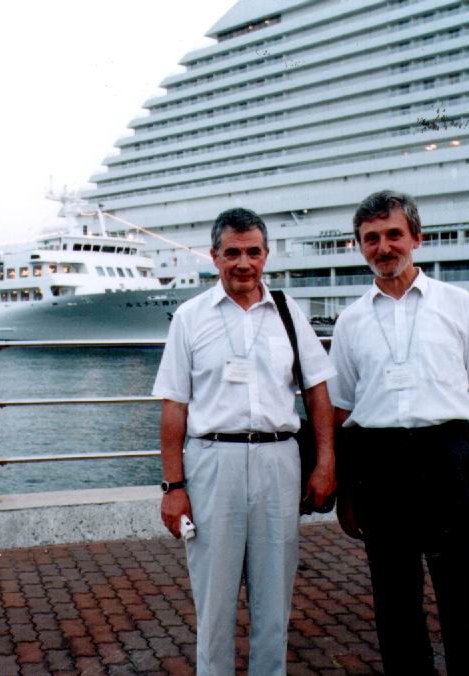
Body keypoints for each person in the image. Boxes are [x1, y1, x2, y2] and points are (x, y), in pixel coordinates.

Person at [329, 190, 469, 675]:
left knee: (465, 601)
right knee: (394, 605)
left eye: (393, 234)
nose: (383, 247)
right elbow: (342, 412)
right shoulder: (350, 322)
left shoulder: (458, 305)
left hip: (447, 457)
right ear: (360, 246)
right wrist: (346, 491)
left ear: (417, 237)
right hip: (379, 465)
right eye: (371, 238)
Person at [153, 207, 336, 674]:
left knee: (275, 601)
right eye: (231, 252)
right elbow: (174, 407)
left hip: (279, 459)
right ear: (214, 256)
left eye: (253, 252)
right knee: (213, 604)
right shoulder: (190, 318)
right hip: (215, 461)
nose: (243, 263)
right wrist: (174, 488)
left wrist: (325, 463)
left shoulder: (289, 314)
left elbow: (317, 391)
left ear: (266, 255)